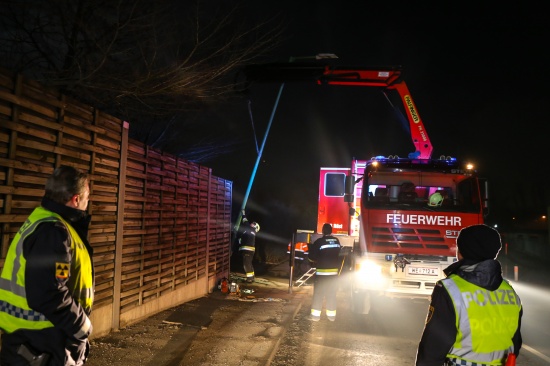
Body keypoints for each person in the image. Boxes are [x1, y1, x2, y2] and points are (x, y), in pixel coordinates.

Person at [0, 165, 94, 365]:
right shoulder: (53, 232)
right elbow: (49, 293)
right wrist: (82, 326)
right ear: (76, 199)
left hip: (32, 340)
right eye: (87, 198)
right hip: (41, 341)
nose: (88, 204)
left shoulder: (44, 221)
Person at [415, 224, 522, 366]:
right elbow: (515, 342)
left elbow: (434, 346)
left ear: (462, 251)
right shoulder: (509, 290)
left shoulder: (450, 288)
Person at [307, 223, 342, 322]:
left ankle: (315, 316)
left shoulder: (319, 242)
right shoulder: (336, 241)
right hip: (333, 275)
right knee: (331, 294)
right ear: (331, 231)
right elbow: (339, 254)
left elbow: (311, 257)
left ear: (323, 231)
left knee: (318, 294)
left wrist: (312, 261)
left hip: (322, 274)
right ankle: (331, 316)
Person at [237, 211, 259, 283]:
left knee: (246, 264)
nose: (252, 223)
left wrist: (243, 215)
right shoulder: (250, 232)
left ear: (255, 227)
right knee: (249, 263)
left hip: (247, 250)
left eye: (254, 224)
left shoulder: (250, 230)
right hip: (249, 250)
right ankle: (252, 277)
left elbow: (245, 222)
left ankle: (249, 279)